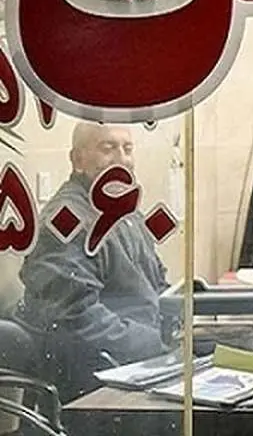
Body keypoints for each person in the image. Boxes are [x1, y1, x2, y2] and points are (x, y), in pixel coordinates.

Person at [18, 122, 170, 398]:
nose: (122, 160)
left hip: (146, 364)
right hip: (104, 382)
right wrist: (160, 345)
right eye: (108, 148)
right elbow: (77, 319)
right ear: (78, 160)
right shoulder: (66, 222)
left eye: (127, 149)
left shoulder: (124, 212)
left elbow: (157, 284)